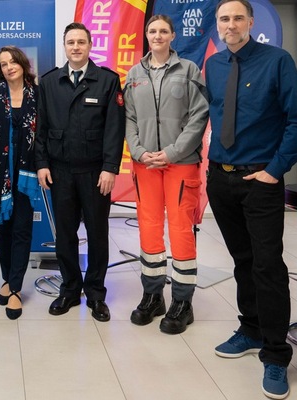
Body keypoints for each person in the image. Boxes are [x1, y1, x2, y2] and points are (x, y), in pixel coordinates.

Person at [205, 1, 297, 398]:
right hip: (221, 178)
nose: (230, 25)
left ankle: (276, 354)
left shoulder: (277, 61)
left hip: (260, 180)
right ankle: (250, 329)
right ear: (217, 25)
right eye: (224, 19)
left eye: (237, 18)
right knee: (243, 260)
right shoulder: (213, 65)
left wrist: (274, 170)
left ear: (250, 22)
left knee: (268, 266)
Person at [124, 15, 209, 334]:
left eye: (163, 31)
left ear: (173, 35)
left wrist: (172, 152)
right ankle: (153, 296)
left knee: (181, 228)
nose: (157, 35)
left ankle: (183, 302)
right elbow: (129, 118)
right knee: (148, 227)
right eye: (152, 31)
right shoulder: (135, 74)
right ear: (146, 36)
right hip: (145, 163)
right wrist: (139, 151)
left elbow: (199, 116)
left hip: (181, 163)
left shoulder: (189, 70)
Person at [35, 22, 125, 322]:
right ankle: (70, 290)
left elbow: (114, 129)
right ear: (65, 46)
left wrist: (110, 168)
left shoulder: (107, 80)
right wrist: (42, 163)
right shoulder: (49, 82)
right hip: (60, 172)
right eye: (71, 42)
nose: (75, 47)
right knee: (65, 235)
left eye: (81, 42)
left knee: (98, 234)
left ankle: (96, 294)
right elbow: (41, 128)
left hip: (95, 173)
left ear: (89, 46)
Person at [0, 46, 40, 320]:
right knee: (2, 227)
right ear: (0, 69)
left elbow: (44, 133)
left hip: (27, 173)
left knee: (22, 229)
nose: (9, 67)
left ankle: (15, 287)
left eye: (13, 61)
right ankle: (7, 277)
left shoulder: (38, 94)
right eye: (3, 64)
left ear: (23, 64)